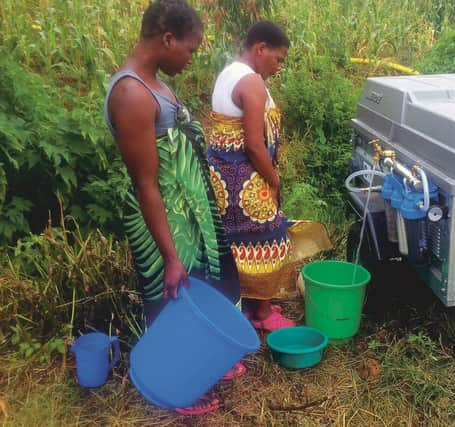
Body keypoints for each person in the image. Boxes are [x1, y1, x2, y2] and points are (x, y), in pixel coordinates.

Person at [104, 0, 241, 415]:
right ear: (167, 39)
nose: (191, 58)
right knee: (173, 296)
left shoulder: (155, 83)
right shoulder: (131, 94)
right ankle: (176, 383)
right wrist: (168, 255)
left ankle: (203, 363)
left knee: (200, 289)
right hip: (165, 223)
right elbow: (147, 185)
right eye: (191, 49)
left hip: (190, 215)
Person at [207, 21, 332, 331]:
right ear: (260, 48)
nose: (278, 67)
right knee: (265, 238)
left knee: (238, 243)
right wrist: (274, 180)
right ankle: (262, 315)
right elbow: (252, 142)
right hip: (246, 183)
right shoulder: (250, 83)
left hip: (226, 179)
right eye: (278, 59)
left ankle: (250, 303)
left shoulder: (229, 73)